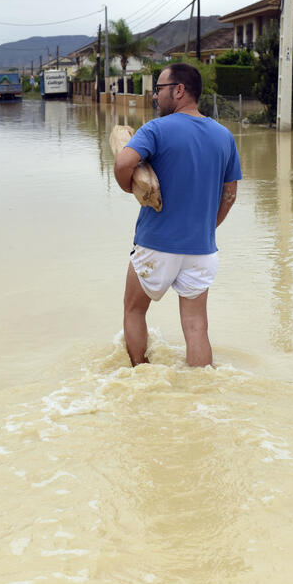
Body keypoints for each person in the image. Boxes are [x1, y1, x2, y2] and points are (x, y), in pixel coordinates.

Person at [113, 63, 241, 367]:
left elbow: (122, 164)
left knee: (133, 310)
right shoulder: (224, 136)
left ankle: (139, 376)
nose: (156, 97)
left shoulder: (156, 129)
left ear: (179, 90)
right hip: (202, 250)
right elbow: (230, 194)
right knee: (197, 327)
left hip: (156, 245)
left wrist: (127, 188)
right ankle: (201, 390)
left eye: (159, 89)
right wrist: (207, 228)